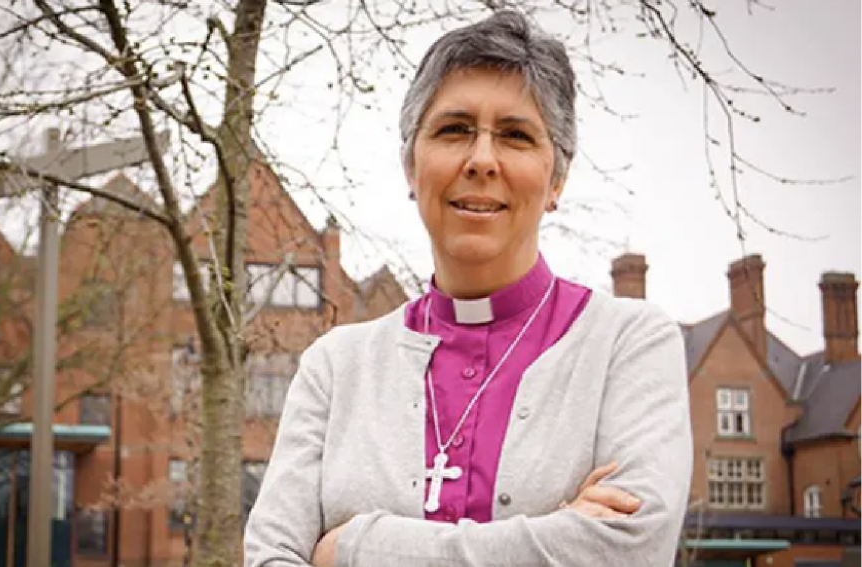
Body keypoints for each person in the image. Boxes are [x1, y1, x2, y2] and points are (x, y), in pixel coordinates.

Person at [244, 10, 692, 567]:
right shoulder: (335, 368)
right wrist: (557, 536)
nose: (482, 160)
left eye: (516, 135)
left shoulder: (629, 344)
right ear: (411, 168)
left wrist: (352, 548)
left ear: (557, 178)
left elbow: (628, 551)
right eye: (454, 129)